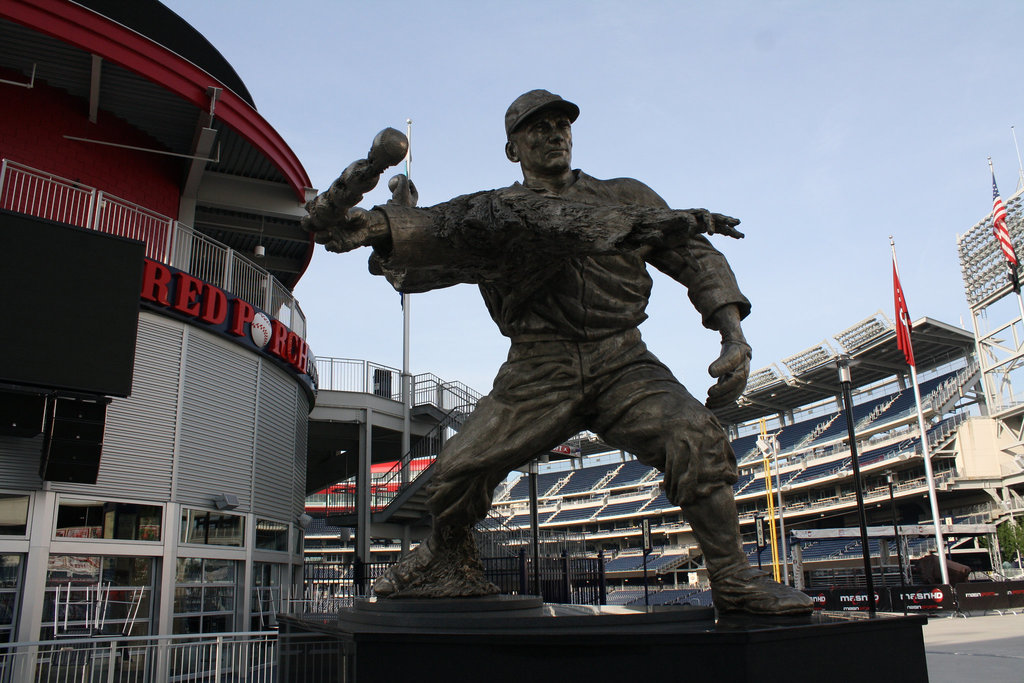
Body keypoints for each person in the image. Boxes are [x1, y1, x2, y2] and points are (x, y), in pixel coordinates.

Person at [305, 90, 813, 615]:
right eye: (537, 127)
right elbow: (427, 252)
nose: (553, 133)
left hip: (623, 359)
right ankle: (444, 558)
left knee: (693, 435)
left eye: (560, 124)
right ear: (513, 149)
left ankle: (733, 579)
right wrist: (380, 228)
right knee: (454, 473)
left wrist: (732, 335)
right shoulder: (493, 215)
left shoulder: (625, 195)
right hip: (538, 367)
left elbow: (696, 257)